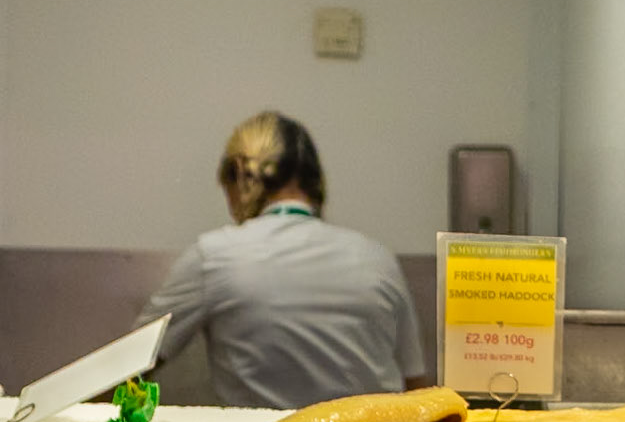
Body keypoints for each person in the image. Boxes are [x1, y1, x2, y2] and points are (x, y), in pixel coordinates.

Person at [136, 112, 428, 407]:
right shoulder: (377, 258)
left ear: (239, 173)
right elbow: (416, 388)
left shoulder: (213, 256)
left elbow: (128, 367)